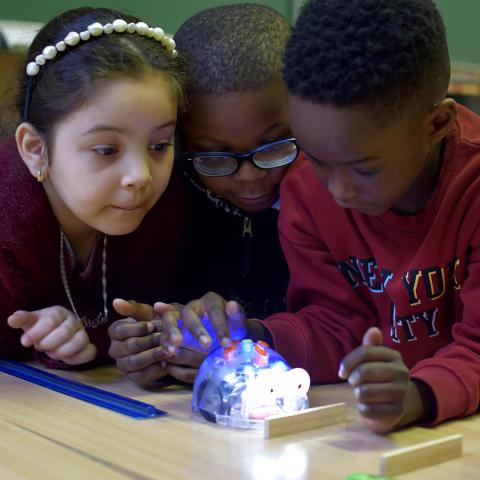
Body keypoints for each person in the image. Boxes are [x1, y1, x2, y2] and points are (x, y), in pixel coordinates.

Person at [138, 0, 480, 434]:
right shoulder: (304, 188)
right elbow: (336, 324)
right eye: (316, 159)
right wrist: (250, 339)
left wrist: (416, 397)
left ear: (436, 124)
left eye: (364, 169)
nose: (337, 191)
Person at [108, 4, 297, 385]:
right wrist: (146, 345)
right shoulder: (159, 198)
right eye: (215, 156)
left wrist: (253, 340)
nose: (250, 178)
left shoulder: (340, 194)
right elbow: (142, 315)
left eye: (274, 146)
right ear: (179, 138)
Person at [1, 6, 189, 368]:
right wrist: (34, 344)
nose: (141, 176)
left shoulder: (168, 208)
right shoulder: (7, 215)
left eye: (159, 146)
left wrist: (127, 343)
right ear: (35, 149)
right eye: (106, 150)